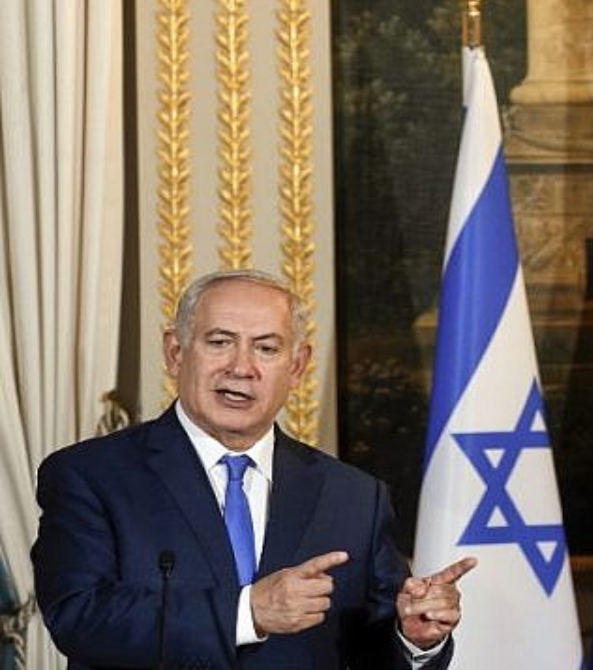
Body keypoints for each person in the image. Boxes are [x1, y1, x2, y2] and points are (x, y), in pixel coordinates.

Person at [33, 269, 476, 669]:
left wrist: (414, 637)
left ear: (297, 366)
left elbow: (372, 648)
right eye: (220, 342)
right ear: (174, 352)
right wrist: (247, 613)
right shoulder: (89, 475)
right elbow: (78, 616)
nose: (241, 367)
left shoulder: (354, 496)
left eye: (266, 348)